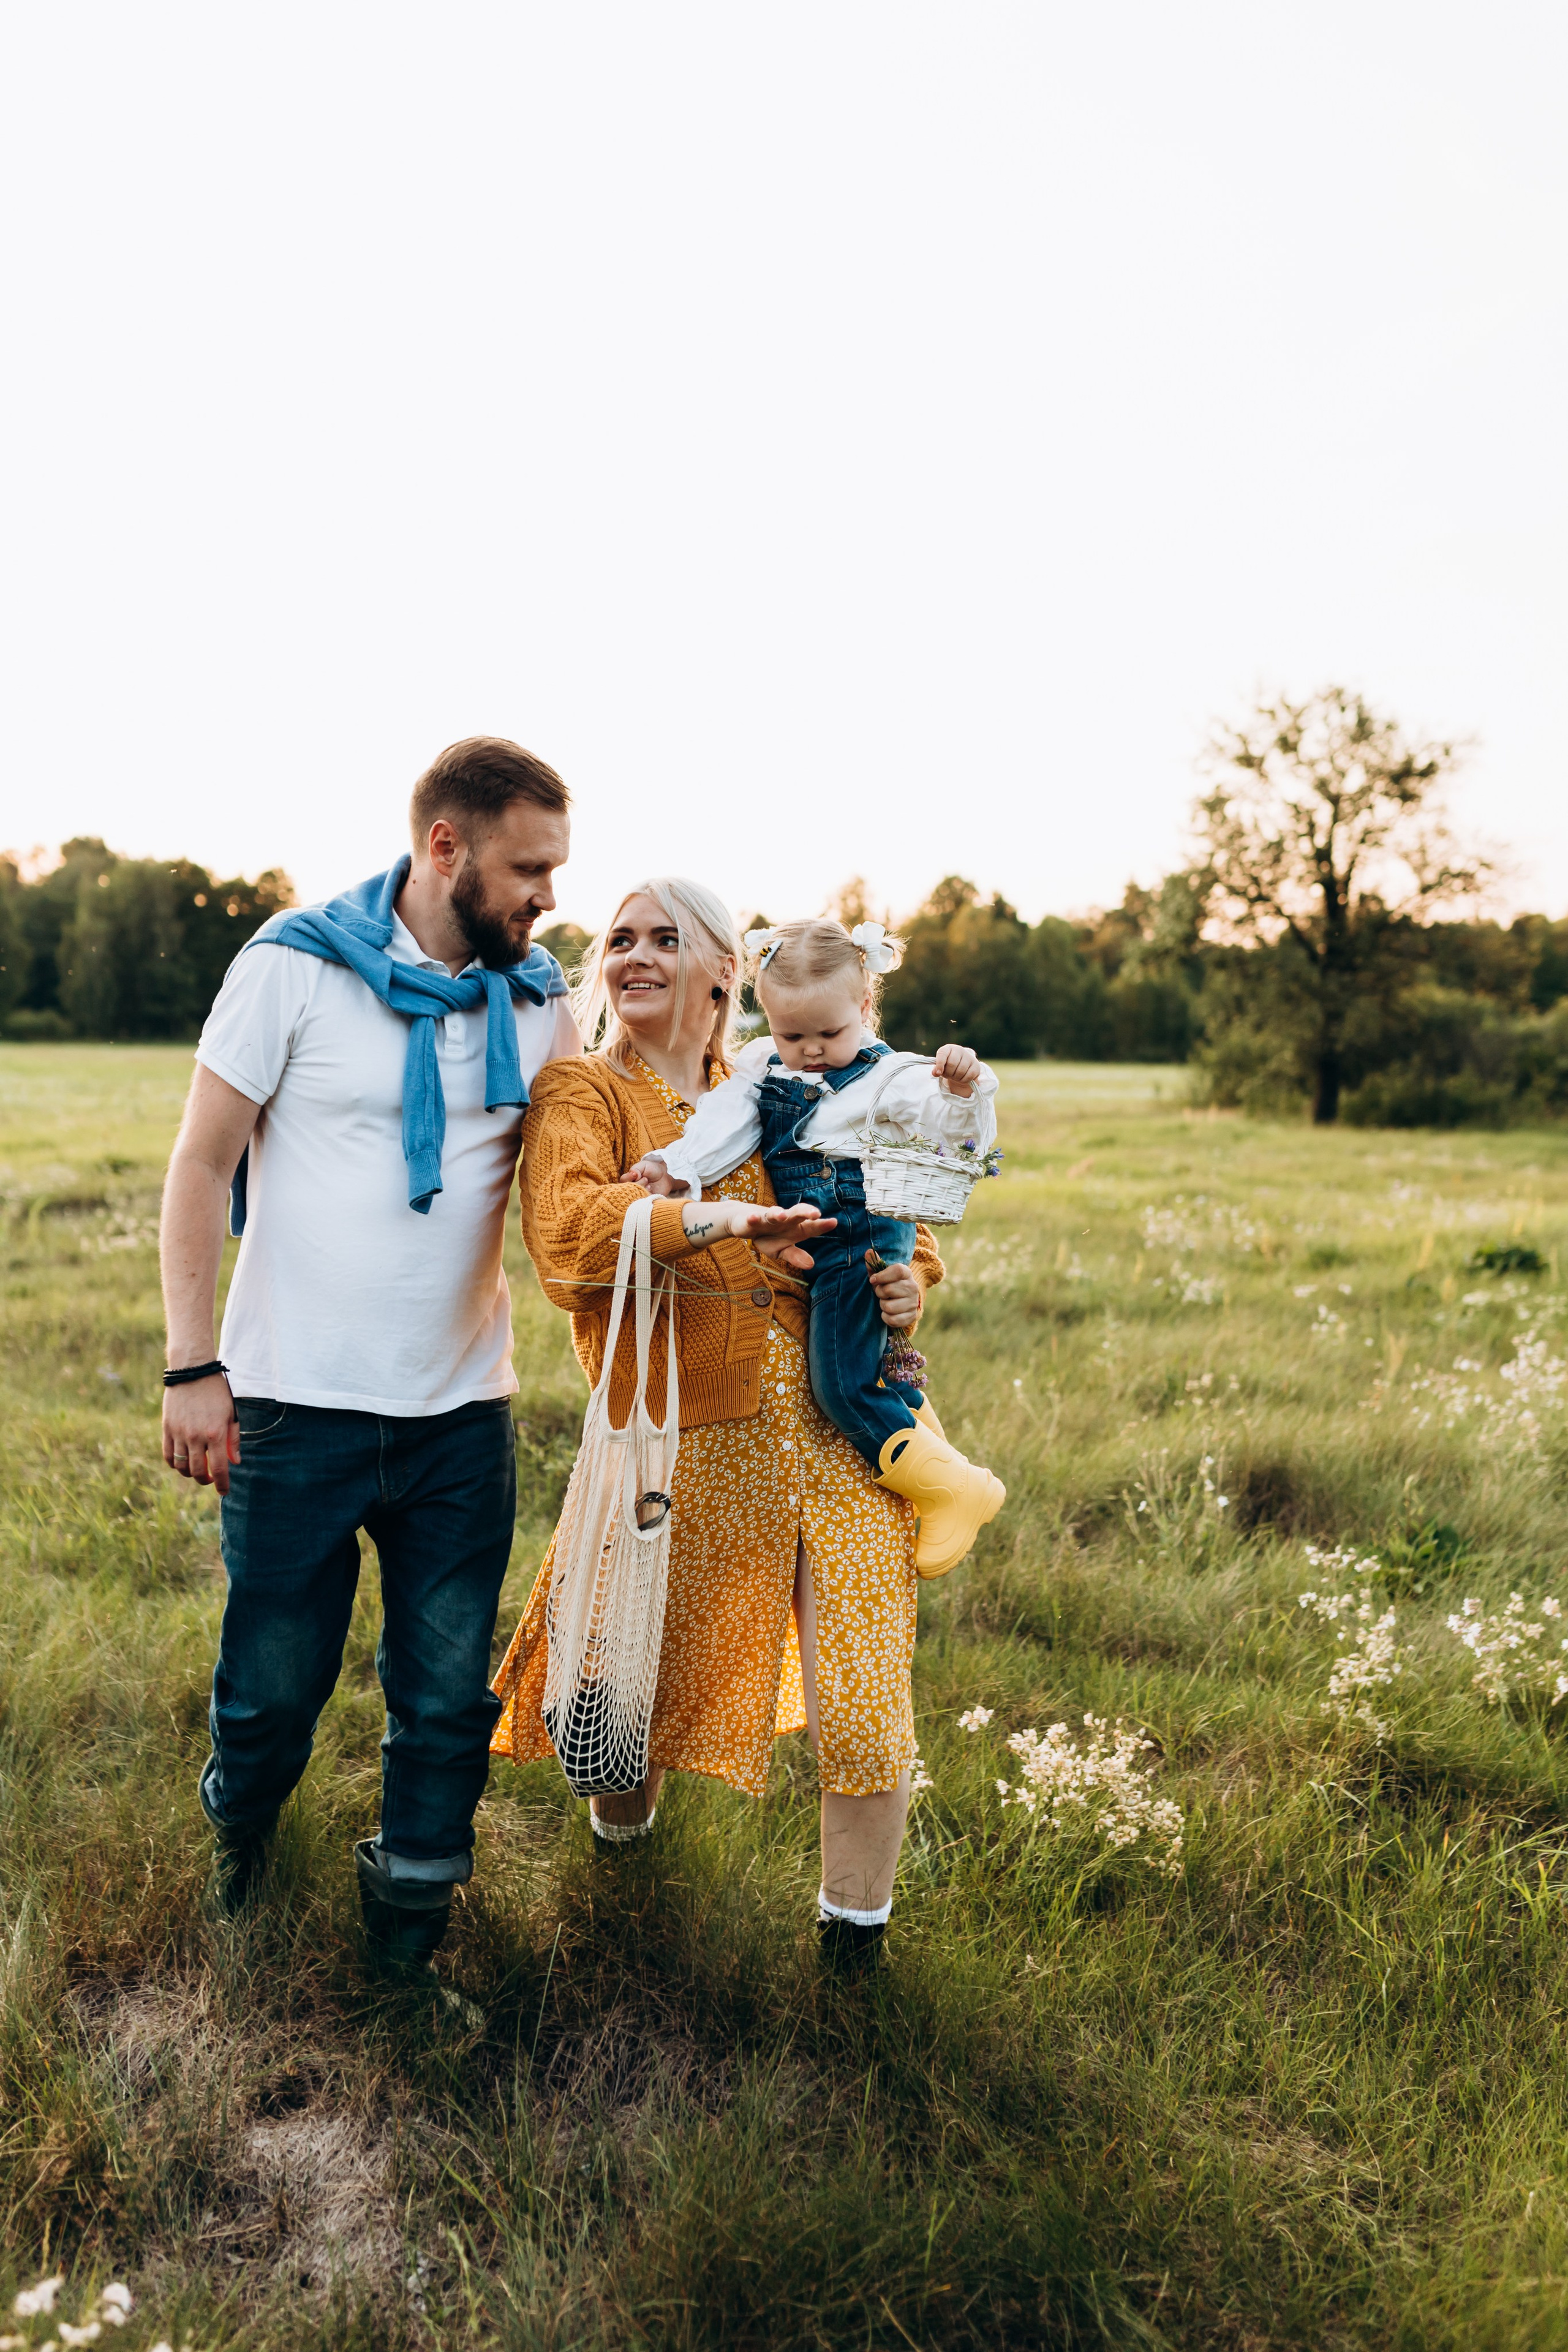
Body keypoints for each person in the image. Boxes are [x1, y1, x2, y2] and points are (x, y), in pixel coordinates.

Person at [159, 736, 579, 1977]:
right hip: (292, 1407)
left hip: (460, 1416)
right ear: (443, 848)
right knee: (273, 1686)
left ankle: (404, 1949)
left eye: (555, 872)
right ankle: (243, 1844)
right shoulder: (290, 968)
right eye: (528, 869)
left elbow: (601, 1160)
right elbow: (200, 1163)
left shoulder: (537, 995)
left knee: (447, 1697)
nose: (546, 896)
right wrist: (195, 1367)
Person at [489, 878, 949, 1972]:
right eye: (619, 940)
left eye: (664, 939)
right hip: (676, 1440)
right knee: (615, 1713)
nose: (634, 955)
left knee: (865, 1691)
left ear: (719, 971)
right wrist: (716, 1222)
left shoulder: (782, 1076)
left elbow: (894, 1207)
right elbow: (567, 1242)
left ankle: (854, 1958)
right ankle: (623, 1871)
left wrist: (911, 1281)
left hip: (840, 1430)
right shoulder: (586, 1094)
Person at [626, 916, 1005, 1575]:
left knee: (839, 1384)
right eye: (790, 1033)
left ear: (863, 1006)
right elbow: (727, 1124)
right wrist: (675, 1167)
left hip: (862, 1234)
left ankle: (955, 1490)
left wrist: (963, 1091)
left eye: (829, 1033)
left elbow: (952, 1134)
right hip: (810, 1231)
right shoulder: (761, 1066)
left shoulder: (896, 1077)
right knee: (864, 1365)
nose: (809, 1050)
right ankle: (935, 1459)